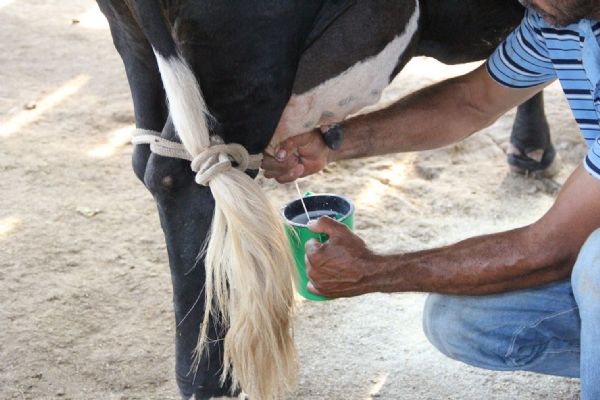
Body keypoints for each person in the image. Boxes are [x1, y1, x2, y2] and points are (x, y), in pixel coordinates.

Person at [262, 1, 600, 398]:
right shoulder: (557, 20)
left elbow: (551, 249)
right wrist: (332, 143)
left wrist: (372, 271)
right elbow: (471, 101)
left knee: (594, 263)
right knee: (459, 320)